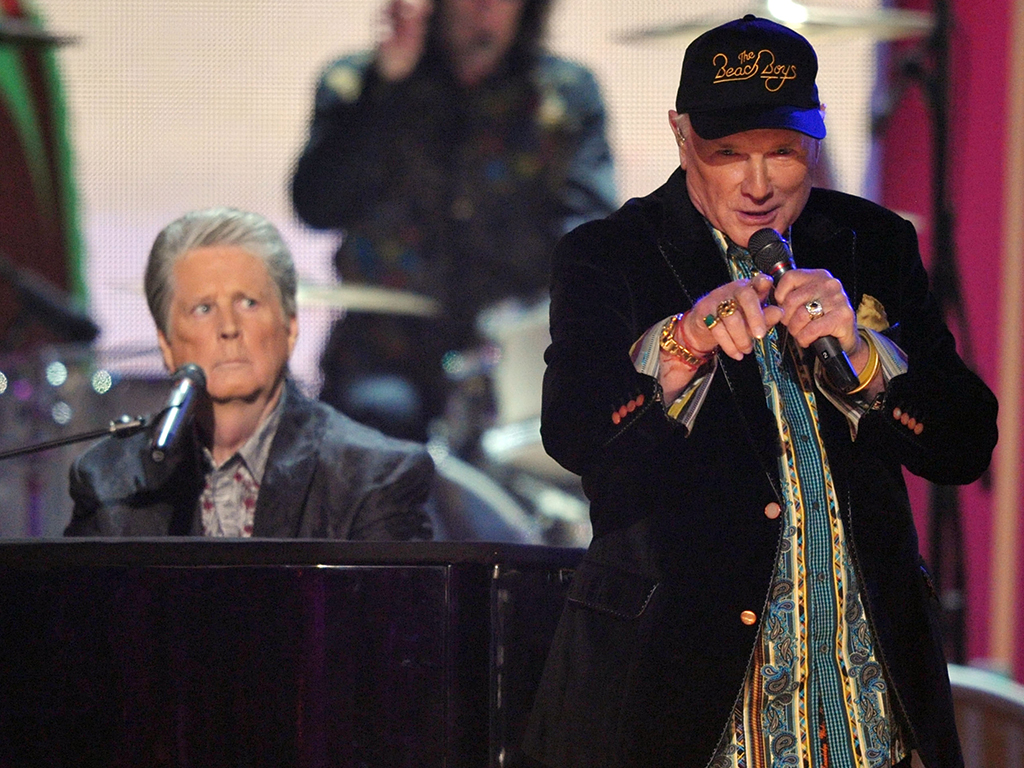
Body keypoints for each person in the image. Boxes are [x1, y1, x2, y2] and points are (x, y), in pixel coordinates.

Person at [523, 16, 997, 768]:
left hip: (866, 702)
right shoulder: (612, 254)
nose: (759, 184)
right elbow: (576, 433)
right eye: (729, 155)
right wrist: (684, 341)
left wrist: (863, 352)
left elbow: (966, 441)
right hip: (688, 700)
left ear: (815, 139)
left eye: (782, 152)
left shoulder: (871, 242)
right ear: (682, 137)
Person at [291, 0, 618, 444]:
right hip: (385, 354)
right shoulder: (357, 84)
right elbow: (317, 206)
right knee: (375, 425)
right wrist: (383, 89)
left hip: (512, 355)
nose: (484, 7)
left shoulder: (564, 94)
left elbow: (589, 231)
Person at [65, 208, 434, 540]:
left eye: (248, 303)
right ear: (166, 344)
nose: (228, 327)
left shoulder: (375, 477)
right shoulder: (108, 480)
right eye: (203, 308)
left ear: (290, 327)